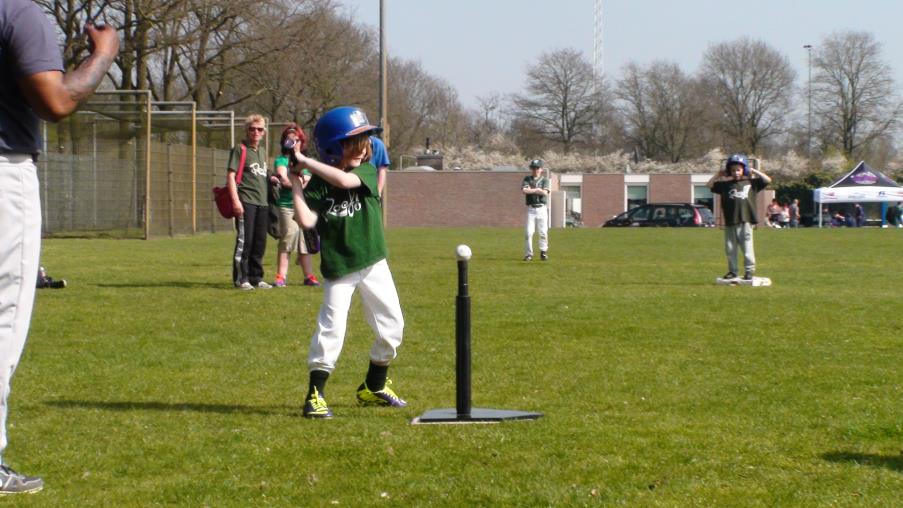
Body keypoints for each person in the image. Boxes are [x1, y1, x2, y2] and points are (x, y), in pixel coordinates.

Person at [0, 0, 118, 494]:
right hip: (4, 170)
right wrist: (105, 54)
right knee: (4, 316)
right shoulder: (18, 12)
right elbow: (56, 101)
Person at [288, 106, 406, 419]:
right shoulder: (320, 183)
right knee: (331, 330)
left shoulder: (364, 170)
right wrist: (296, 181)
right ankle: (315, 395)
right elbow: (306, 219)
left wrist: (305, 161)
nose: (364, 148)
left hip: (372, 261)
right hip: (340, 270)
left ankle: (374, 385)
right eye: (354, 143)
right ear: (332, 148)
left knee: (392, 327)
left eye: (365, 140)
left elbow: (343, 181)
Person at [707, 154, 771, 281]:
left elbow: (767, 180)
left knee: (747, 247)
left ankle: (749, 270)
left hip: (745, 220)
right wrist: (718, 175)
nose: (735, 172)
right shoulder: (725, 185)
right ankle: (733, 271)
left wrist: (754, 171)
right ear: (728, 171)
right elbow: (709, 185)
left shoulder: (752, 183)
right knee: (730, 248)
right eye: (732, 170)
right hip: (731, 220)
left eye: (738, 169)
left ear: (744, 170)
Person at [272, 124, 320, 287]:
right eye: (289, 139)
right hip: (287, 204)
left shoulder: (305, 161)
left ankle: (309, 276)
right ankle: (281, 276)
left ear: (302, 141)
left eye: (296, 139)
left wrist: (301, 182)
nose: (293, 142)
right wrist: (300, 183)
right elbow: (284, 179)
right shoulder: (282, 160)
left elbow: (309, 181)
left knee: (305, 242)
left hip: (304, 206)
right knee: (288, 238)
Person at [228, 114, 272, 290]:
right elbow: (231, 176)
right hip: (246, 201)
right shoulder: (240, 149)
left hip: (262, 203)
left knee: (259, 242)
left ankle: (256, 277)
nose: (256, 132)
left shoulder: (261, 151)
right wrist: (236, 201)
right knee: (245, 242)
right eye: (252, 129)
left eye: (259, 129)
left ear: (264, 132)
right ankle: (241, 278)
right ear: (246, 130)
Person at [522, 158, 550, 261]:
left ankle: (543, 252)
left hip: (542, 208)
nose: (535, 170)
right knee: (529, 232)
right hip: (531, 209)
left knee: (543, 232)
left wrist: (532, 190)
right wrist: (537, 190)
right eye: (533, 168)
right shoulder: (527, 179)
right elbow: (525, 190)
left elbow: (545, 193)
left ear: (541, 169)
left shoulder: (545, 180)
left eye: (537, 168)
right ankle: (529, 254)